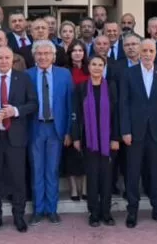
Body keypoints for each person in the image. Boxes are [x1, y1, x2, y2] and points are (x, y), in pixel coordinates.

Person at [0, 46, 38, 234]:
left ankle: (19, 217)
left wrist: (16, 111)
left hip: (15, 137)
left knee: (18, 179)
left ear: (13, 60)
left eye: (7, 58)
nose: (3, 61)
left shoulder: (23, 78)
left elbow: (33, 103)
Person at [120, 39, 157, 228]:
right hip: (135, 133)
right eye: (144, 50)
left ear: (156, 53)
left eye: (151, 50)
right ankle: (132, 210)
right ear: (139, 52)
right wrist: (125, 130)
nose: (147, 54)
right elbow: (123, 104)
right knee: (133, 173)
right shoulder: (129, 73)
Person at [27, 41, 74, 224]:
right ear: (34, 56)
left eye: (47, 53)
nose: (43, 57)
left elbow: (70, 103)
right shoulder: (27, 75)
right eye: (39, 54)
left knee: (52, 170)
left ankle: (52, 209)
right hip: (35, 128)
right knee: (37, 170)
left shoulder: (64, 74)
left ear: (54, 56)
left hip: (56, 128)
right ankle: (38, 210)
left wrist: (69, 131)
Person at [72, 55, 120, 227]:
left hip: (108, 140)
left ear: (104, 67)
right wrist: (76, 137)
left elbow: (117, 114)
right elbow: (75, 113)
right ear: (89, 67)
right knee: (92, 178)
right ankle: (94, 213)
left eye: (101, 65)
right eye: (94, 64)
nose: (97, 67)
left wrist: (115, 138)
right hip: (89, 139)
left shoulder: (111, 87)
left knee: (106, 179)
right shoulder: (81, 88)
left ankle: (106, 213)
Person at [65, 40, 89, 201]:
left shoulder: (90, 69)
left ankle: (85, 188)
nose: (78, 53)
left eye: (80, 50)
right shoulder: (65, 71)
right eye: (74, 50)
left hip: (87, 116)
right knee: (70, 154)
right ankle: (74, 188)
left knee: (86, 152)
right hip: (70, 113)